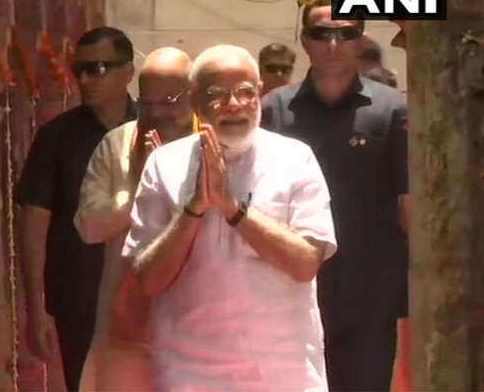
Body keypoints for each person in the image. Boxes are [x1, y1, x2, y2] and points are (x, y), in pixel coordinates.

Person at [121, 44, 337, 391]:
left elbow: (305, 264)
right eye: (218, 94)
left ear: (259, 96)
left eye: (245, 92)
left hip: (283, 372)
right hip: (189, 372)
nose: (234, 104)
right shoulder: (165, 165)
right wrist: (193, 208)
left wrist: (232, 208)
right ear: (194, 100)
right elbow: (148, 280)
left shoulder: (295, 159)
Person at [262, 0, 410, 392]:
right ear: (304, 39)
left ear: (361, 40)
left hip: (369, 293)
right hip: (291, 289)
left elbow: (409, 206)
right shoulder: (274, 110)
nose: (332, 44)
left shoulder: (392, 111)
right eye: (321, 33)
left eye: (345, 34)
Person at [16, 26, 136, 392]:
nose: (86, 79)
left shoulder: (155, 127)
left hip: (148, 291)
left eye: (98, 69)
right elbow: (34, 220)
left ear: (128, 71)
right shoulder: (56, 137)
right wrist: (37, 307)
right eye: (79, 70)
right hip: (80, 297)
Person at [74, 47, 197, 391]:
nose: (156, 113)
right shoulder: (117, 145)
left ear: (194, 95)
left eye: (169, 101)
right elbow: (89, 226)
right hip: (125, 325)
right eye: (147, 103)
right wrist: (143, 185)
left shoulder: (213, 145)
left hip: (198, 326)